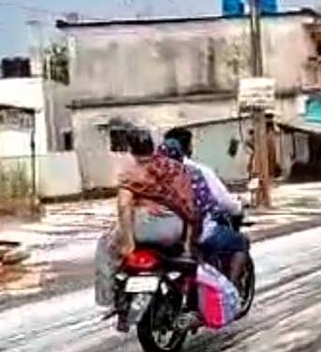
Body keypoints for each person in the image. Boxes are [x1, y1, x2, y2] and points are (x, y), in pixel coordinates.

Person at [94, 127, 203, 331]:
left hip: (143, 228)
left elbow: (124, 206)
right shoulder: (175, 169)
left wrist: (128, 242)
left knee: (105, 245)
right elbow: (189, 205)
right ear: (153, 147)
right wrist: (187, 242)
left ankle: (107, 300)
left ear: (131, 150)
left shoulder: (132, 173)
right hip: (174, 230)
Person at [162, 127, 249, 286]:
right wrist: (238, 206)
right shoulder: (196, 172)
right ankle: (229, 291)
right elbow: (217, 202)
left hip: (150, 232)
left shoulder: (148, 173)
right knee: (240, 242)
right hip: (191, 234)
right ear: (187, 148)